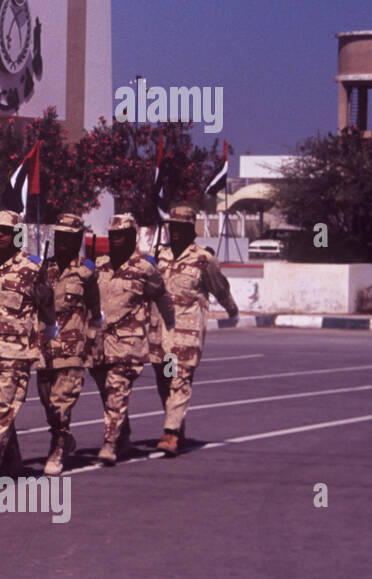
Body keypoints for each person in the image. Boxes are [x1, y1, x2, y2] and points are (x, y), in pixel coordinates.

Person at [0, 210, 56, 487]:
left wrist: (49, 333)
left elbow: (46, 304)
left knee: (0, 407)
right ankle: (12, 460)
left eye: (6, 231)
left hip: (14, 351)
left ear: (17, 234)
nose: (0, 236)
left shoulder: (32, 268)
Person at [151, 204, 238, 454]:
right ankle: (177, 425)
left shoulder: (203, 259)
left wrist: (231, 309)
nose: (175, 232)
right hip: (162, 334)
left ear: (192, 230)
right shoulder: (158, 255)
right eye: (173, 227)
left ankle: (170, 434)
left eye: (182, 228)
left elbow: (220, 288)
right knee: (165, 382)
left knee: (180, 380)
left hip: (187, 333)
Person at [92, 214, 175, 466]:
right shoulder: (99, 265)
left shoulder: (144, 268)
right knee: (108, 392)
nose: (116, 239)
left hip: (128, 343)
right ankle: (123, 435)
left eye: (122, 235)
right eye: (113, 235)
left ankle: (110, 443)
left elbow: (162, 298)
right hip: (99, 342)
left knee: (117, 389)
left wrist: (169, 327)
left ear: (132, 237)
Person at [36, 213, 101, 476]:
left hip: (73, 346)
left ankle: (58, 447)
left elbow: (96, 309)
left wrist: (94, 340)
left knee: (61, 402)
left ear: (78, 239)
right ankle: (62, 436)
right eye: (59, 235)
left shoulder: (87, 271)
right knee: (46, 401)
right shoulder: (43, 268)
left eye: (69, 237)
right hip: (46, 346)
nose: (63, 241)